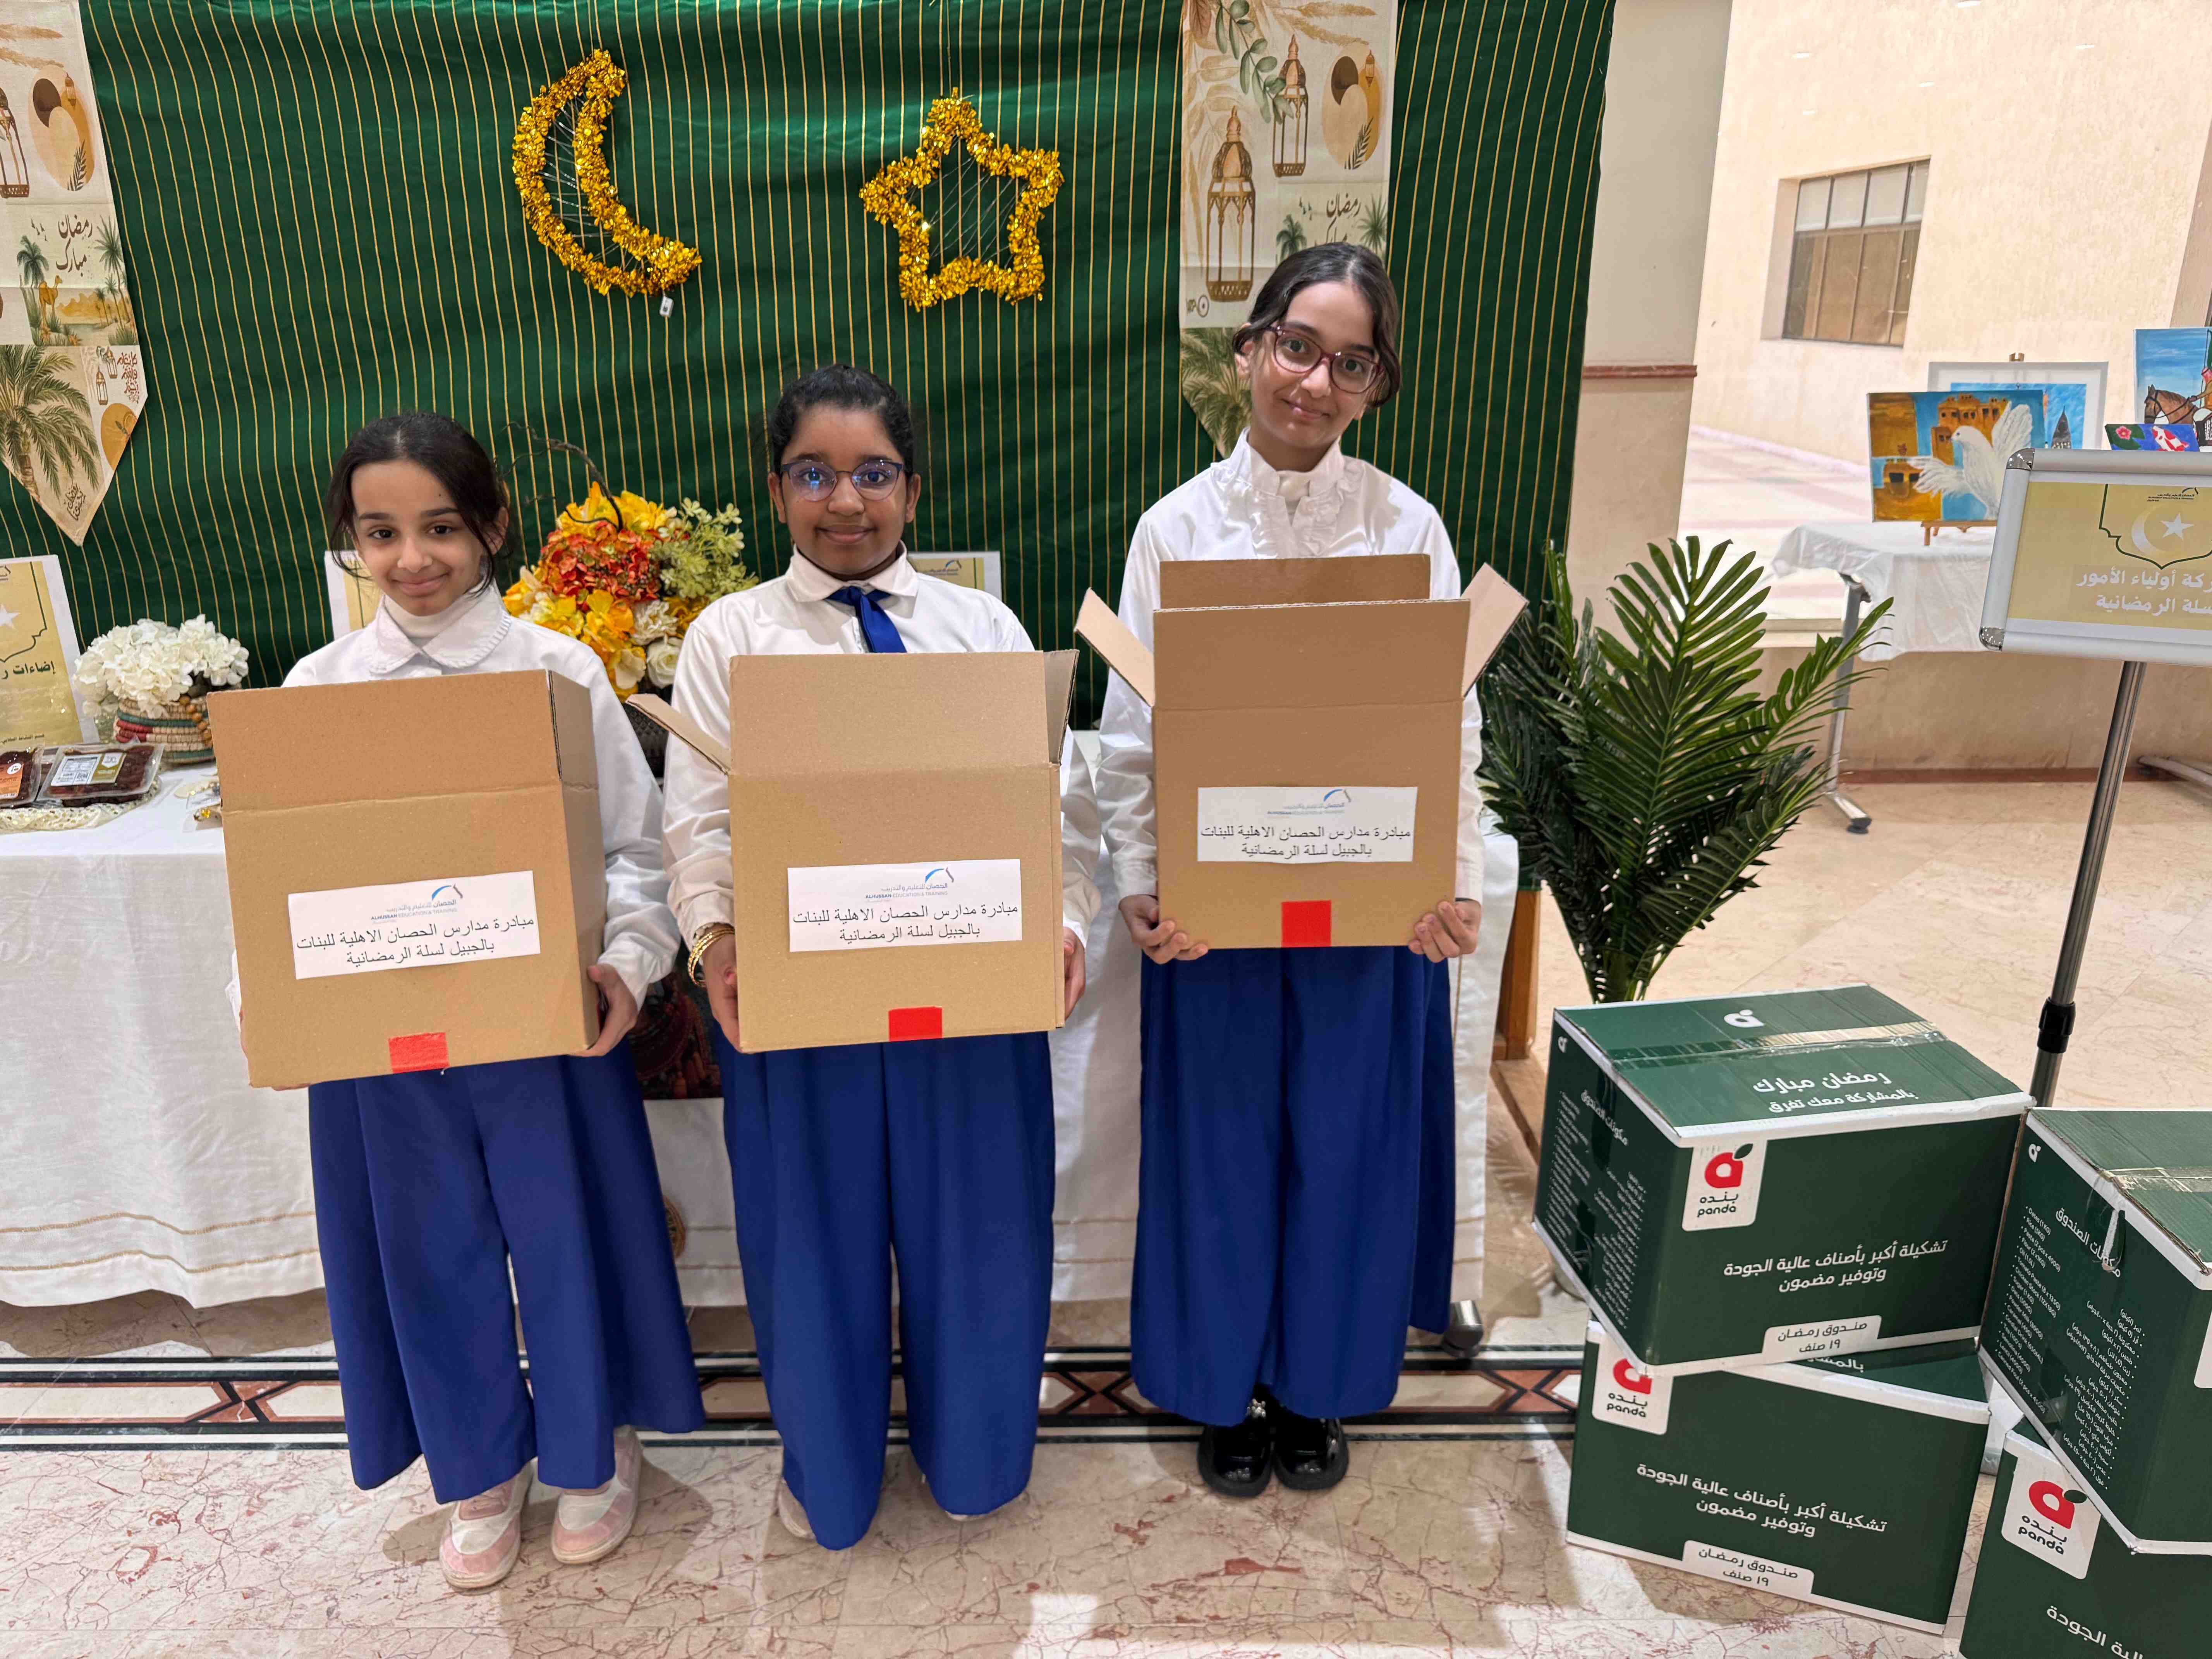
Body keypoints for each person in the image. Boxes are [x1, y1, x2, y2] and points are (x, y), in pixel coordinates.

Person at [259, 412, 703, 1588]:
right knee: (428, 1246)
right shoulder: (317, 686)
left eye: (442, 527)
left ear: (493, 525)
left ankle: (595, 1445)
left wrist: (630, 962)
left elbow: (636, 851)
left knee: (568, 1235)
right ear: (351, 542)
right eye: (381, 532)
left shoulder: (558, 672)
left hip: (543, 1025)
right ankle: (478, 1461)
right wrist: (280, 999)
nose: (413, 559)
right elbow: (280, 876)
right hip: (387, 1042)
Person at [662, 364, 1097, 1550]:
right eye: (814, 473)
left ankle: (977, 1456)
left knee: (981, 1234)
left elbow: (1054, 808)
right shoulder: (731, 637)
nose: (844, 501)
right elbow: (697, 822)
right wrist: (716, 937)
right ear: (775, 490)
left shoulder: (982, 629)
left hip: (970, 1002)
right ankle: (834, 1470)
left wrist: (1063, 922)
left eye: (872, 473)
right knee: (812, 1247)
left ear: (914, 488)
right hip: (802, 1003)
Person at [1095, 244, 1482, 1498]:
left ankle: (1316, 1382)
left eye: (1351, 363)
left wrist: (1449, 879)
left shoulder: (1409, 527)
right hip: (1218, 910)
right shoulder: (1176, 529)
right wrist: (1144, 879)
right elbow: (1130, 732)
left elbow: (1450, 723)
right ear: (1251, 349)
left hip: (1366, 905)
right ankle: (1221, 1388)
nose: (1316, 382)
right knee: (1219, 1148)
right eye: (1298, 347)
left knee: (1345, 1147)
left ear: (1376, 385)